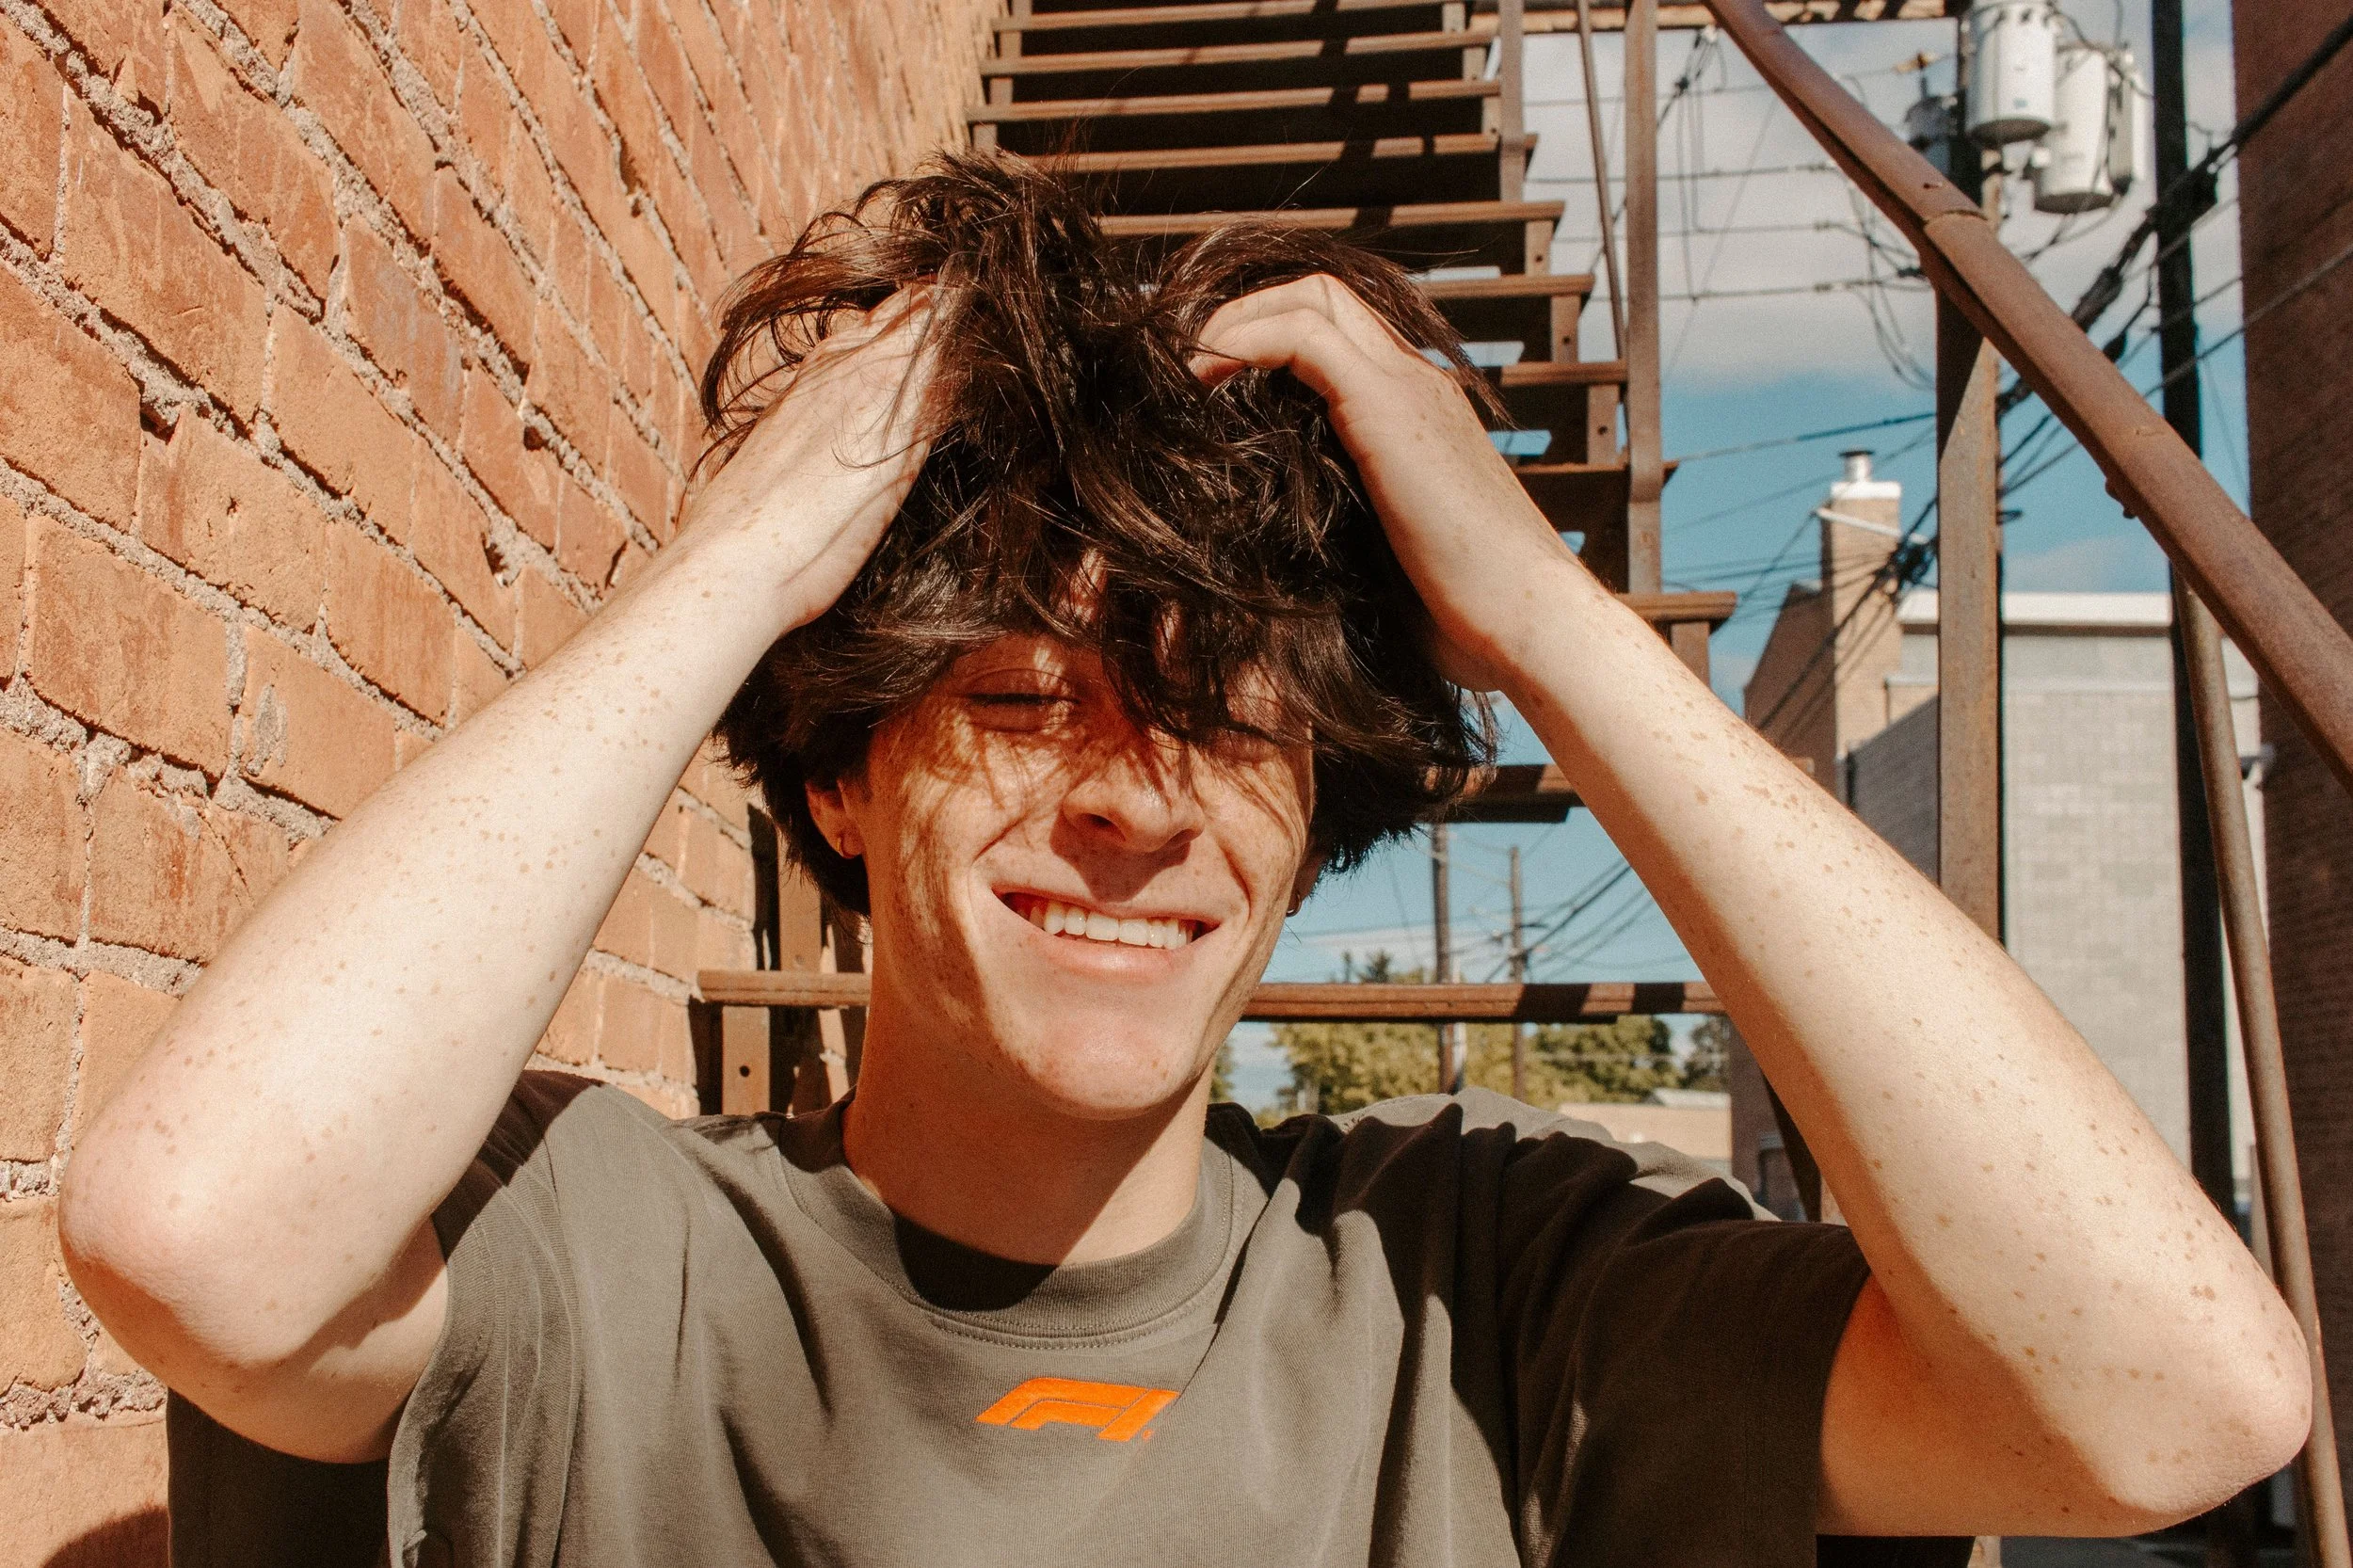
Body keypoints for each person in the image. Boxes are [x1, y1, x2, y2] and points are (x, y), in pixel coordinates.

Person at [60, 153, 2304, 1567]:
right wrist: (744, 565)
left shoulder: (1487, 1299)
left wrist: (1536, 615)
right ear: (836, 777)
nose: (1134, 798)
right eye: (1022, 702)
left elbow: (2172, 1401)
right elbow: (190, 1229)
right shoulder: (605, 1262)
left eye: (1230, 717)